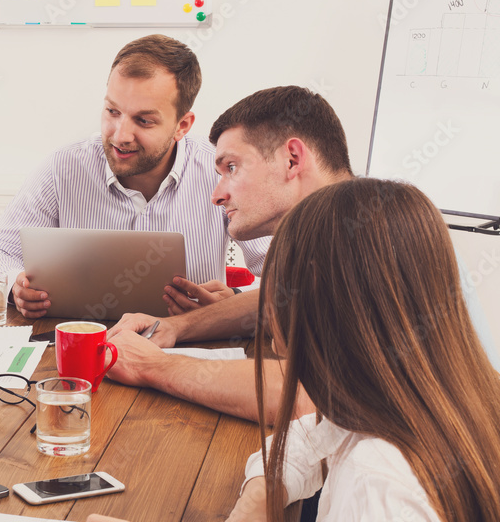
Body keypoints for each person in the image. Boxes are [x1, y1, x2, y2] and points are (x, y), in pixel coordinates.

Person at [73, 178, 500, 522]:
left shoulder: (382, 490)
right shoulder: (436, 400)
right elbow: (310, 435)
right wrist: (263, 491)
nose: (272, 330)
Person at [107, 86, 499, 423]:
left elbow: (311, 394)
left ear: (292, 159)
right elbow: (276, 299)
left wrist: (151, 366)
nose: (217, 193)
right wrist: (179, 327)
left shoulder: (363, 233)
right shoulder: (343, 220)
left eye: (231, 167)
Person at [0, 34, 271, 319]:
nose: (121, 135)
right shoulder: (63, 169)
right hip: (82, 341)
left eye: (144, 120)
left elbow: (288, 277)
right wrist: (15, 286)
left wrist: (234, 297)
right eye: (113, 111)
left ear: (182, 125)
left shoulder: (219, 171)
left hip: (189, 346)